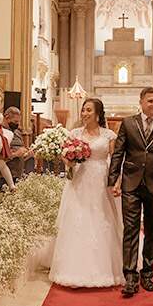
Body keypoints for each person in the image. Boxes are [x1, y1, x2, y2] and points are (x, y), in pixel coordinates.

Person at [108, 87, 153, 297]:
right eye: (150, 101)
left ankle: (147, 273)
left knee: (152, 231)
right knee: (130, 229)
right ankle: (130, 276)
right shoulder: (128, 123)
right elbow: (118, 153)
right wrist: (113, 180)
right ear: (141, 102)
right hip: (131, 183)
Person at [50, 98, 123, 287]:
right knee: (77, 219)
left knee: (102, 217)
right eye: (83, 110)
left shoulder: (109, 135)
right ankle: (72, 269)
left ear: (98, 114)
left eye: (89, 110)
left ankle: (105, 269)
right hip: (79, 180)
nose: (84, 113)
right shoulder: (74, 133)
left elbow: (115, 161)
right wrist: (69, 160)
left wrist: (116, 182)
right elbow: (65, 156)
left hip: (101, 181)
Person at [3, 106, 31, 181]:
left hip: (18, 173)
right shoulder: (1, 132)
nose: (18, 124)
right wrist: (15, 154)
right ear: (7, 118)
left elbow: (21, 152)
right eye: (15, 121)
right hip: (5, 174)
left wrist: (27, 154)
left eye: (19, 122)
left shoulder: (17, 132)